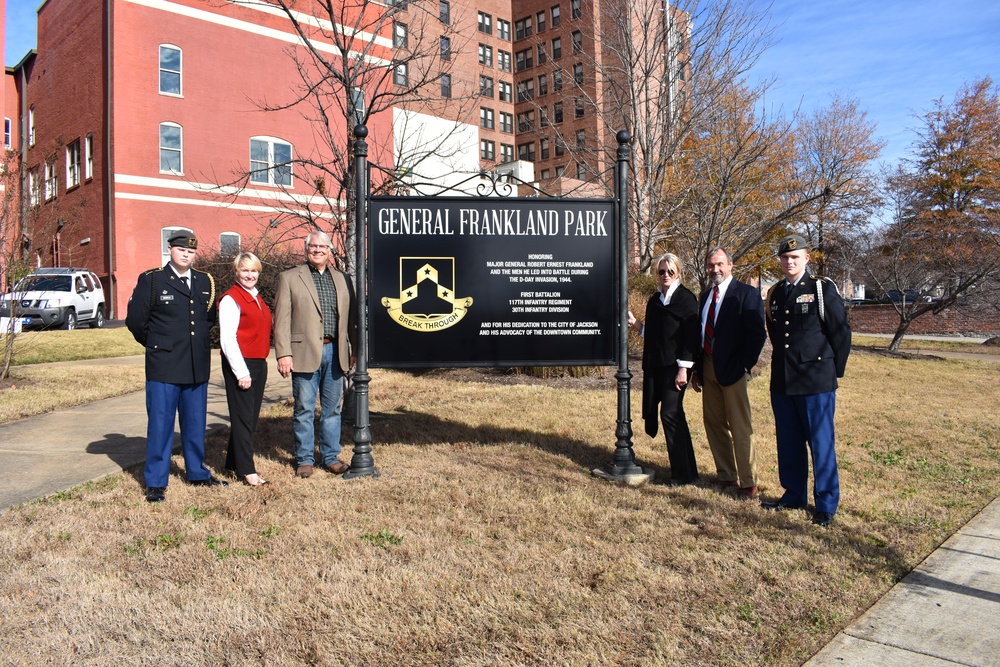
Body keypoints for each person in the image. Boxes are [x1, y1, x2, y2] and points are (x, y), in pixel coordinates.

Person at [125, 229, 225, 503]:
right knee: (160, 424)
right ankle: (156, 481)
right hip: (164, 365)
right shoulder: (153, 280)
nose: (187, 255)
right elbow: (135, 321)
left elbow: (208, 320)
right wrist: (158, 344)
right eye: (182, 249)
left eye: (191, 251)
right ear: (170, 249)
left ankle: (197, 472)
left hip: (196, 364)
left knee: (194, 424)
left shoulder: (205, 281)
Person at [762, 234, 851, 527]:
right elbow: (777, 335)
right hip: (784, 380)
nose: (789, 262)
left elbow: (840, 333)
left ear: (807, 259)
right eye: (785, 258)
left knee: (820, 443)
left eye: (795, 257)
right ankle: (794, 494)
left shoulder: (821, 289)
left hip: (815, 380)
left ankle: (825, 503)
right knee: (788, 442)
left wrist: (833, 371)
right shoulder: (775, 293)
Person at [273, 231, 357, 478]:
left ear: (330, 251)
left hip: (336, 351)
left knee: (332, 409)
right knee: (304, 409)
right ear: (306, 248)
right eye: (313, 246)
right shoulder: (289, 278)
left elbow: (351, 319)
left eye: (323, 246)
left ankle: (330, 457)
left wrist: (353, 349)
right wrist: (283, 354)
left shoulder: (343, 279)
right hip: (303, 352)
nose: (318, 250)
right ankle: (305, 459)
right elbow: (281, 320)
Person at [691, 248, 767, 499]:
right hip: (708, 366)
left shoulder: (747, 294)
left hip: (734, 369)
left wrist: (745, 366)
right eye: (711, 265)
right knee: (713, 423)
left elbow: (757, 334)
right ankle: (725, 475)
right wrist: (697, 369)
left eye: (720, 264)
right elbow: (702, 333)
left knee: (740, 425)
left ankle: (748, 481)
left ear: (731, 265)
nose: (715, 269)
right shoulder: (705, 296)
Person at [628, 253, 700, 485]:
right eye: (661, 271)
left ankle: (681, 475)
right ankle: (689, 472)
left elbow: (690, 337)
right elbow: (658, 335)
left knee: (669, 413)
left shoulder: (686, 299)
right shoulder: (655, 300)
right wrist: (636, 324)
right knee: (675, 414)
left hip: (677, 366)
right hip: (657, 366)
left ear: (678, 272)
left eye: (671, 271)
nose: (666, 275)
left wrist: (684, 369)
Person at [219, 252, 273, 486]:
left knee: (249, 418)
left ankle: (232, 463)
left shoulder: (256, 297)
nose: (250, 275)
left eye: (254, 271)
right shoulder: (231, 298)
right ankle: (247, 470)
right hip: (241, 363)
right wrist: (241, 372)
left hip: (258, 362)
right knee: (242, 418)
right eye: (245, 270)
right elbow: (228, 339)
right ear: (236, 272)